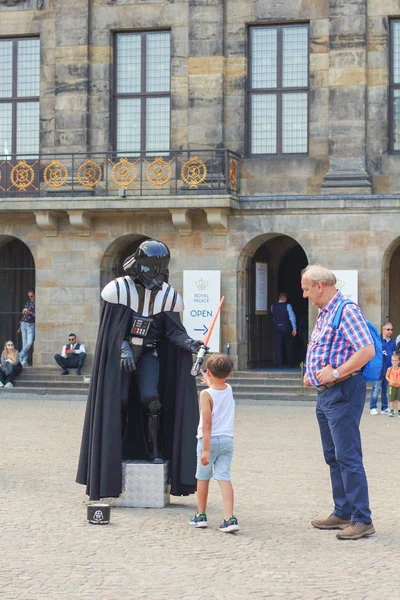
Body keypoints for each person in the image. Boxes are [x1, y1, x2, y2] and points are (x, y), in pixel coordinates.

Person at [76, 239, 204, 501]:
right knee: (119, 399)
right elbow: (111, 330)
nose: (155, 277)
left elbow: (173, 332)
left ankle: (154, 449)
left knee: (151, 399)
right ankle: (118, 450)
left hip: (149, 352)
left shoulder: (168, 296)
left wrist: (190, 342)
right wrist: (122, 347)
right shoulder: (119, 290)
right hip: (120, 354)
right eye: (150, 270)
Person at [302, 264, 375, 541]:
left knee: (347, 455)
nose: (305, 295)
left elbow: (366, 349)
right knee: (333, 456)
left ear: (320, 286)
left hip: (342, 391)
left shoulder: (346, 310)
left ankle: (362, 518)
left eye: (307, 289)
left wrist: (334, 372)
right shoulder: (326, 313)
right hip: (326, 394)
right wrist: (313, 374)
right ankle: (343, 511)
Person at [189, 353, 239, 533]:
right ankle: (229, 517)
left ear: (208, 372)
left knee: (203, 477)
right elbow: (218, 388)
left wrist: (206, 450)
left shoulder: (205, 394)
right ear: (229, 374)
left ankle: (201, 514)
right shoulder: (229, 389)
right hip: (227, 440)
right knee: (224, 477)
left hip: (208, 441)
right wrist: (209, 379)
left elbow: (207, 422)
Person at [369, 322, 395, 415]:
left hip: (389, 370)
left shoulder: (393, 343)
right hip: (379, 370)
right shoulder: (378, 342)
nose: (390, 331)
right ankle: (373, 407)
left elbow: (394, 356)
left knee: (386, 390)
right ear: (383, 330)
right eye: (388, 329)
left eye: (391, 329)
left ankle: (384, 407)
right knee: (376, 389)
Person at [271, 292, 297, 368]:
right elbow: (292, 317)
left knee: (278, 346)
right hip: (286, 328)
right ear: (284, 298)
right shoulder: (287, 306)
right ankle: (290, 364)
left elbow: (273, 317)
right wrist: (294, 328)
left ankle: (279, 364)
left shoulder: (273, 306)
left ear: (279, 298)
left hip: (277, 328)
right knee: (289, 345)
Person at [19, 289, 35, 367]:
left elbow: (39, 315)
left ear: (35, 295)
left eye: (31, 296)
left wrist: (30, 313)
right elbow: (23, 311)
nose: (30, 297)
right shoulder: (28, 302)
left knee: (29, 343)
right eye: (29, 296)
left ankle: (20, 355)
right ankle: (24, 361)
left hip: (31, 324)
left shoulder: (38, 303)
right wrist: (24, 311)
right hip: (23, 323)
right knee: (24, 343)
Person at [385, 352, 400, 417]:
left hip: (399, 386)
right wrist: (390, 381)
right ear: (391, 361)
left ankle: (399, 411)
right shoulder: (389, 369)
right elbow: (386, 376)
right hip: (392, 386)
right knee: (391, 399)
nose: (394, 362)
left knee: (398, 400)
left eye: (396, 361)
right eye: (393, 360)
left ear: (399, 361)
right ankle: (391, 411)